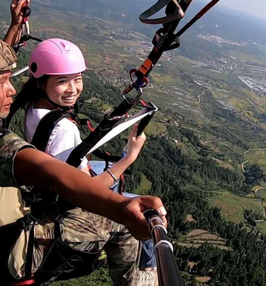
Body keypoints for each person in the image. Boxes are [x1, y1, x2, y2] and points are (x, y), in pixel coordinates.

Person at [0, 30, 164, 285]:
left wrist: (13, 28)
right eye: (2, 83)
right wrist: (124, 183)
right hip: (17, 250)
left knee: (102, 169)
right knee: (126, 222)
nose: (11, 90)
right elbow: (53, 174)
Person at [12, 38, 157, 271]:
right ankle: (147, 271)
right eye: (62, 81)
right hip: (62, 201)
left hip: (52, 176)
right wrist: (129, 157)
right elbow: (82, 192)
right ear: (41, 81)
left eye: (77, 79)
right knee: (145, 215)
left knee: (103, 167)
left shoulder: (31, 105)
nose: (73, 89)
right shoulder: (63, 129)